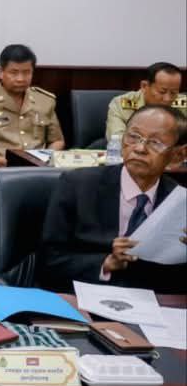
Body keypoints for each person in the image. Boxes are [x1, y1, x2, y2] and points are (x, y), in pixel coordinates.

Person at [40, 105, 187, 292]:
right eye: (133, 137)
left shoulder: (180, 202)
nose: (140, 148)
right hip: (88, 294)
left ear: (178, 155)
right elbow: (49, 261)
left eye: (155, 143)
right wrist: (106, 263)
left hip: (154, 301)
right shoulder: (78, 186)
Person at [0, 44, 65, 166]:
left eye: (26, 72)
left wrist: (44, 160)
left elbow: (57, 140)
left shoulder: (45, 101)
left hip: (39, 168)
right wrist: (2, 162)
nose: (20, 79)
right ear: (1, 72)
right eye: (14, 73)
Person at [106, 62, 186, 141]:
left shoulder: (184, 103)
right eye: (162, 92)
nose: (167, 99)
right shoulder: (121, 104)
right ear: (144, 86)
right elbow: (117, 140)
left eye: (173, 92)